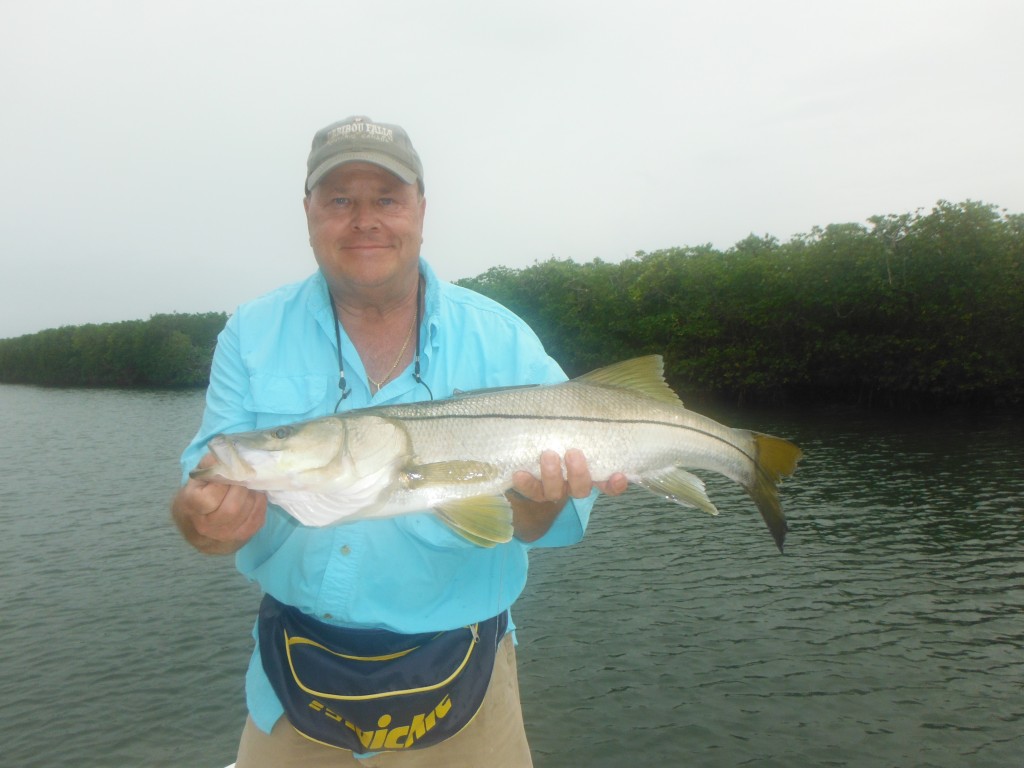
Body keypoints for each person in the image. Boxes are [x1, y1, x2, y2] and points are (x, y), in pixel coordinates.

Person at [172, 115, 627, 768]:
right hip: (296, 675)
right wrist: (204, 521)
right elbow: (201, 496)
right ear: (308, 212)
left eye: (386, 198)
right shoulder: (252, 332)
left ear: (420, 209)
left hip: (467, 681)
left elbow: (543, 522)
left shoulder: (500, 339)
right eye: (340, 200)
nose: (365, 220)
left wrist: (539, 502)